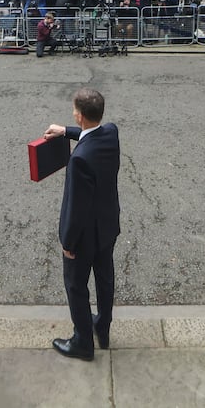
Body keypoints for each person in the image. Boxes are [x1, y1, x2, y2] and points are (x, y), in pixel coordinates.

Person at [44, 88, 121, 362]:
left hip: (85, 237)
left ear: (79, 115)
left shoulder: (78, 160)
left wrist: (68, 242)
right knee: (105, 278)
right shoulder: (111, 133)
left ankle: (82, 343)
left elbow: (76, 209)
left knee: (76, 285)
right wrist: (64, 131)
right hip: (108, 227)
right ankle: (103, 326)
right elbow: (92, 135)